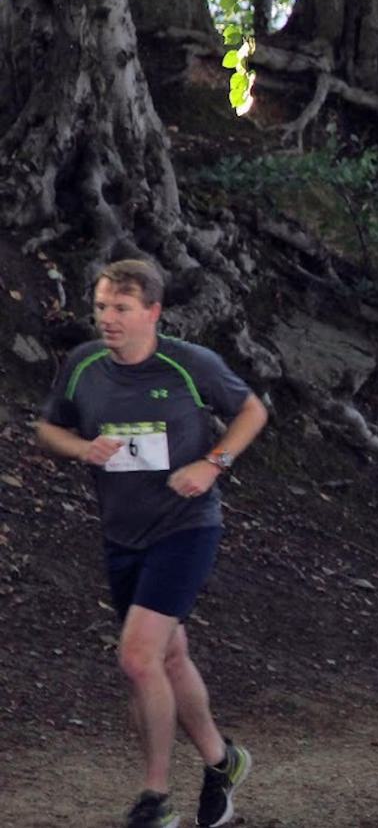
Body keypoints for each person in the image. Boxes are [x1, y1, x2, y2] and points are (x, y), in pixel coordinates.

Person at [37, 260, 269, 828]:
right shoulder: (83, 365)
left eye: (121, 308)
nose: (108, 319)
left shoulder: (190, 365)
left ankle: (155, 798)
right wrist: (80, 449)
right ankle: (221, 761)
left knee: (138, 657)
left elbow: (252, 410)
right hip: (122, 533)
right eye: (101, 307)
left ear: (153, 313)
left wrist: (213, 465)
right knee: (167, 655)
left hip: (185, 526)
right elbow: (49, 428)